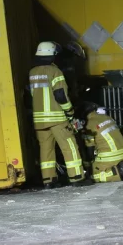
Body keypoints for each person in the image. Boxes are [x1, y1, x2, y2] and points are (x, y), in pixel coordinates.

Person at [29, 41, 88, 188]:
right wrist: (69, 111)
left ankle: (49, 180)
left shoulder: (32, 72)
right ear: (53, 55)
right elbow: (61, 95)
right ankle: (77, 177)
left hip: (39, 120)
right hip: (57, 118)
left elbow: (28, 96)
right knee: (69, 146)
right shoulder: (55, 72)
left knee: (46, 150)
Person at [81, 102, 123, 183]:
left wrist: (88, 163)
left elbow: (89, 149)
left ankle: (119, 172)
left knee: (94, 176)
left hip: (110, 157)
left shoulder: (89, 124)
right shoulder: (106, 117)